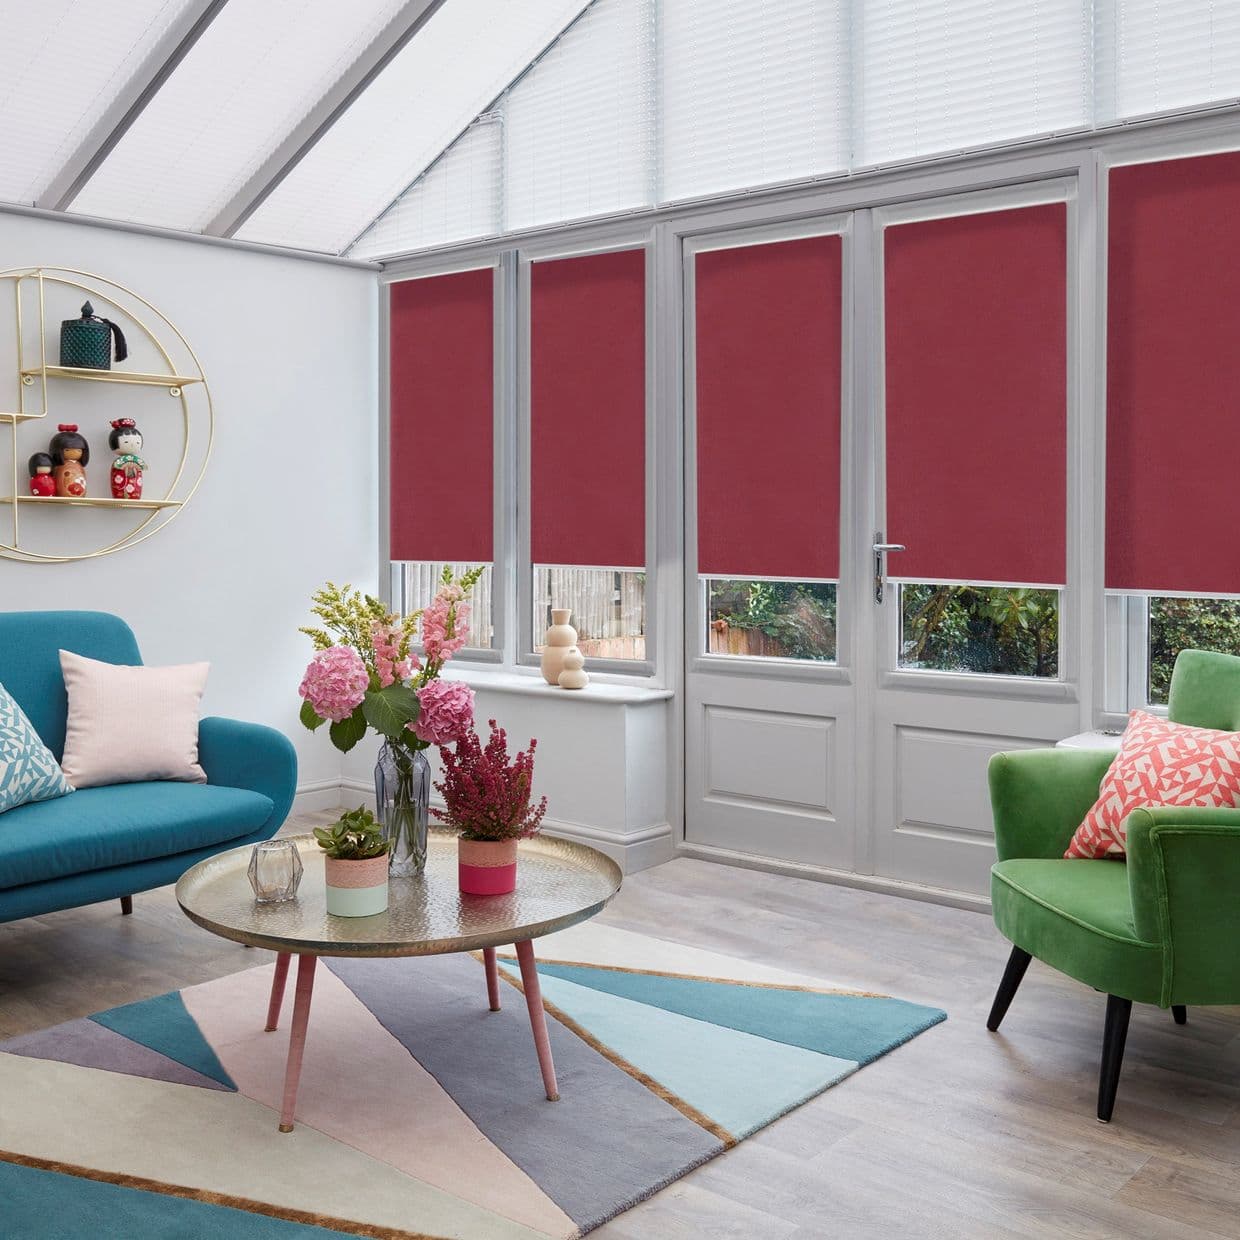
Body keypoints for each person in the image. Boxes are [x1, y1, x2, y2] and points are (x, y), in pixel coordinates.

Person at [108, 418, 146, 500]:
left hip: (134, 483)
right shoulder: (118, 462)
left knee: (136, 482)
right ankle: (120, 495)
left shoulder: (137, 461)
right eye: (126, 442)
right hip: (122, 484)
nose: (132, 445)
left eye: (137, 443)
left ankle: (135, 495)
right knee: (119, 481)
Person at [49, 424, 89, 498]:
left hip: (80, 490)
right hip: (65, 491)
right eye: (67, 450)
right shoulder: (61, 466)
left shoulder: (79, 465)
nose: (74, 452)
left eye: (79, 450)